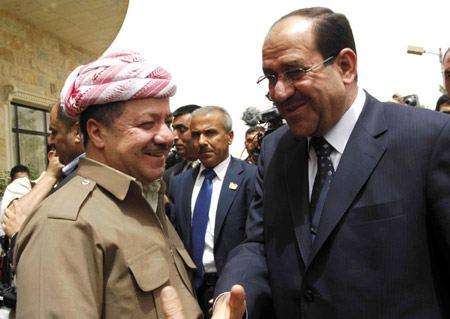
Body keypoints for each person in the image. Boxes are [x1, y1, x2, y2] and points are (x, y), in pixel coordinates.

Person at [213, 7, 450, 318]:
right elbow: (259, 244)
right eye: (270, 77)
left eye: (294, 72)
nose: (278, 93)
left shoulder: (428, 139)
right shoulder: (275, 149)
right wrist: (230, 299)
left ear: (345, 66)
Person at [13, 50, 202, 318]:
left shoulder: (147, 197)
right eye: (148, 124)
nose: (166, 137)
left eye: (168, 123)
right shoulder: (65, 225)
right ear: (97, 132)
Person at [169, 106, 256, 318]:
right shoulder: (179, 184)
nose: (201, 142)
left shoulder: (251, 178)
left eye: (210, 133)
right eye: (196, 134)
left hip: (234, 291)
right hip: (191, 293)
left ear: (229, 136)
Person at [1, 100, 85, 239]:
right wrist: (51, 175)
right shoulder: (21, 185)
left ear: (76, 132)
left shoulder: (84, 180)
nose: (50, 141)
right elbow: (12, 219)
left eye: (54, 132)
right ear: (51, 156)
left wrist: (18, 237)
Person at [163, 104, 201, 193]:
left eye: (182, 130)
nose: (174, 136)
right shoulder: (168, 175)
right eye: (174, 129)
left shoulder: (223, 170)